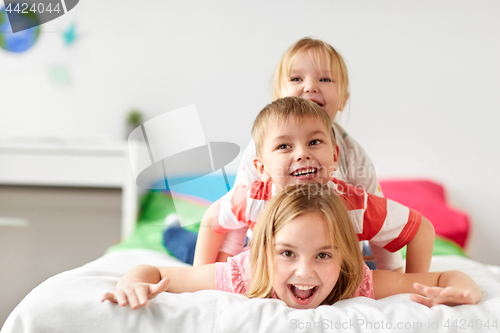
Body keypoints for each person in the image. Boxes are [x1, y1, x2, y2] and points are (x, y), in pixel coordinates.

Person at [165, 37, 402, 270]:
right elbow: (236, 214)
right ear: (279, 97)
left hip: (330, 252)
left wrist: (392, 274)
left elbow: (378, 219)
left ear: (343, 99)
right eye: (297, 78)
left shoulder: (352, 154)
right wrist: (225, 265)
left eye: (325, 79)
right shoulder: (262, 150)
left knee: (366, 261)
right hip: (270, 249)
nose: (310, 86)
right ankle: (173, 231)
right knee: (194, 248)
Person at [102, 184, 481, 310]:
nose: (304, 272)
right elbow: (153, 273)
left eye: (323, 254)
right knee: (182, 245)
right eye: (287, 253)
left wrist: (464, 290)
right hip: (230, 247)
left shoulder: (354, 282)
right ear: (267, 251)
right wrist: (130, 284)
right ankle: (171, 225)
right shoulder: (240, 275)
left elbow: (446, 275)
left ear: (343, 257)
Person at [195, 96, 435, 274]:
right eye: (284, 146)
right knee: (186, 246)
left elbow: (421, 229)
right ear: (261, 168)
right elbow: (211, 219)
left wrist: (412, 286)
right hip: (256, 263)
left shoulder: (354, 206)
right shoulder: (254, 199)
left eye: (314, 142)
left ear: (334, 156)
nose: (302, 154)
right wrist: (201, 272)